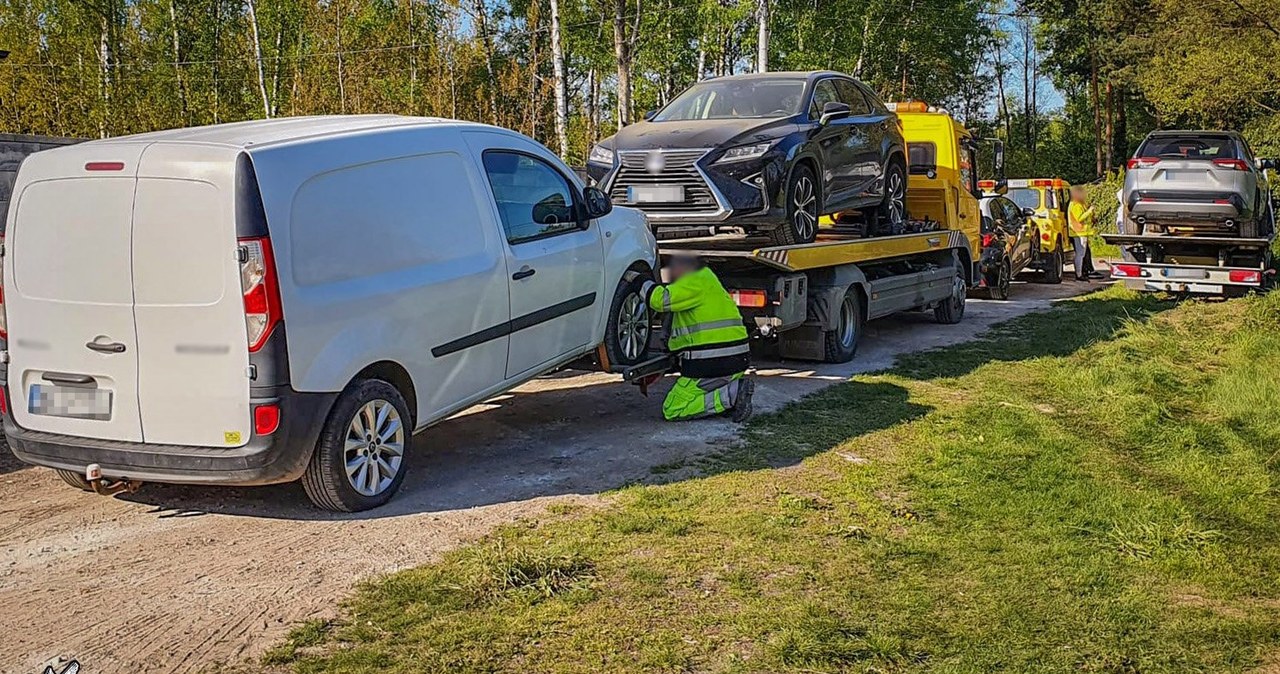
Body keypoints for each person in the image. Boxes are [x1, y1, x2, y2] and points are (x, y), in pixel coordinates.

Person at [625, 255, 755, 422]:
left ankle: (732, 395)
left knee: (674, 409)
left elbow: (660, 300)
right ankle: (728, 394)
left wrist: (638, 280)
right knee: (701, 393)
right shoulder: (708, 280)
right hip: (736, 359)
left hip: (713, 362)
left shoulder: (694, 279)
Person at [1067, 186, 1098, 281]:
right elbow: (1079, 218)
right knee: (1080, 254)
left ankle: (1080, 273)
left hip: (1082, 232)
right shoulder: (1075, 204)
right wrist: (1089, 211)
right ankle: (1079, 275)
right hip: (1079, 232)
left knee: (1081, 254)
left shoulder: (1080, 203)